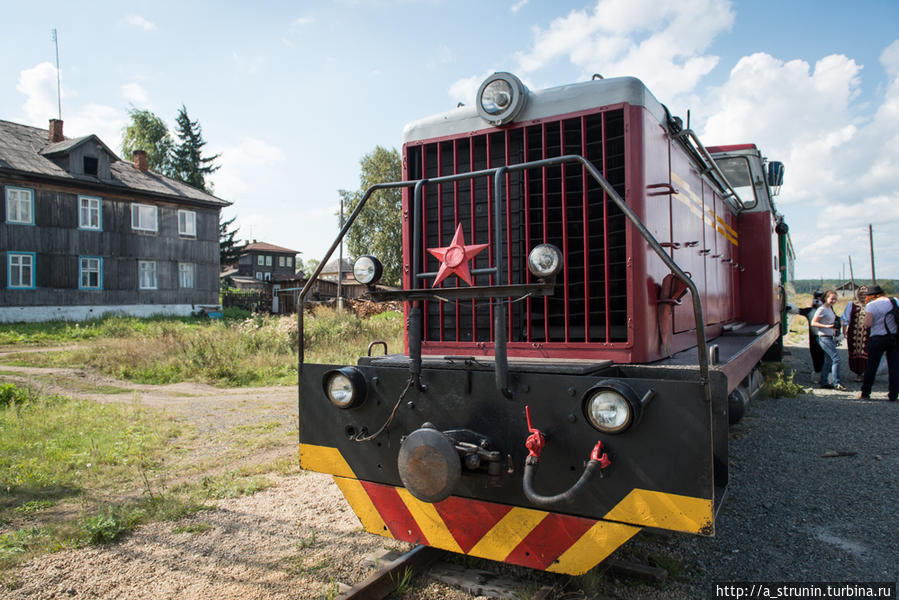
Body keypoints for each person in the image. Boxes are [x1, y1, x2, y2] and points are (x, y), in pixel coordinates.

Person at [859, 284, 899, 401]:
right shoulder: (895, 300)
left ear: (871, 296)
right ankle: (893, 395)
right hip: (894, 338)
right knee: (894, 367)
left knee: (871, 366)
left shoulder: (872, 305)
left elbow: (868, 324)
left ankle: (865, 393)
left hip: (877, 338)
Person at [810, 290, 845, 390]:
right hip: (824, 337)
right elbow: (813, 323)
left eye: (835, 299)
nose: (834, 300)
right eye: (832, 298)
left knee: (828, 360)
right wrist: (827, 326)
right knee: (836, 359)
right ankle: (837, 382)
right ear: (826, 298)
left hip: (830, 337)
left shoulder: (829, 308)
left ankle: (824, 382)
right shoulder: (822, 309)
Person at [841, 286, 869, 382]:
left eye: (865, 294)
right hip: (854, 334)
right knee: (856, 352)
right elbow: (845, 318)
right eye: (861, 294)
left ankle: (868, 373)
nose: (863, 296)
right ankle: (859, 373)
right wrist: (844, 332)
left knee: (868, 352)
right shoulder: (851, 304)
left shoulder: (871, 305)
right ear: (857, 294)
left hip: (868, 334)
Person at [799, 291, 825, 374]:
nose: (817, 301)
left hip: (825, 337)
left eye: (820, 299)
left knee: (826, 356)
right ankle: (817, 372)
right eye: (816, 299)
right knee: (815, 355)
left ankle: (828, 374)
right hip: (814, 338)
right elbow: (799, 311)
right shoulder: (810, 311)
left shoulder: (828, 310)